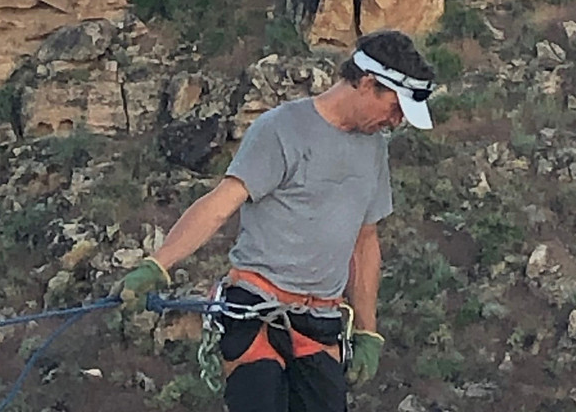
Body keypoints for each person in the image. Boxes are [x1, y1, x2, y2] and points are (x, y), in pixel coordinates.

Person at [112, 29, 437, 412]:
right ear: (367, 84)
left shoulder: (374, 150)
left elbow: (365, 241)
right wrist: (157, 265)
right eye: (395, 108)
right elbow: (220, 204)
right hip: (257, 311)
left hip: (320, 322)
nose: (396, 121)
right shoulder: (282, 129)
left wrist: (367, 330)